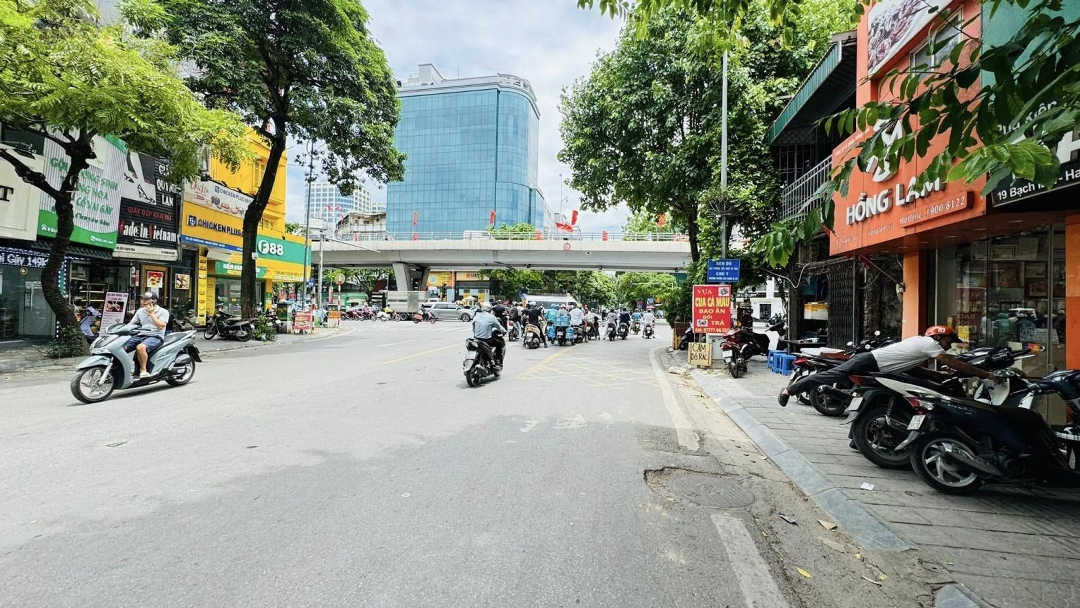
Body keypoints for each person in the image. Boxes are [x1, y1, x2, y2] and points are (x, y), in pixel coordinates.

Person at [777, 325, 997, 407]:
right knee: (828, 376)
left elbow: (910, 367)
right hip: (868, 361)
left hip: (875, 365)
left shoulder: (921, 344)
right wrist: (985, 374)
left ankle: (859, 437)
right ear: (939, 337)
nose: (949, 346)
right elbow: (954, 363)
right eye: (949, 341)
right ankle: (789, 390)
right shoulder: (930, 344)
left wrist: (935, 374)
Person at [124, 292, 169, 378]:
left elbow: (161, 326)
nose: (143, 301)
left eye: (146, 299)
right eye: (142, 299)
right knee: (122, 347)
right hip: (141, 335)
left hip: (155, 336)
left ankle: (143, 370)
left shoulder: (163, 312)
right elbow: (131, 323)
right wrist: (120, 330)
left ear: (154, 301)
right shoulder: (140, 311)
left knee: (140, 347)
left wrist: (152, 314)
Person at [472, 302, 508, 369]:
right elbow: (499, 327)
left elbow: (473, 326)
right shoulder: (491, 317)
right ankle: (497, 361)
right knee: (499, 344)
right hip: (487, 340)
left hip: (476, 339)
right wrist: (504, 331)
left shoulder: (477, 315)